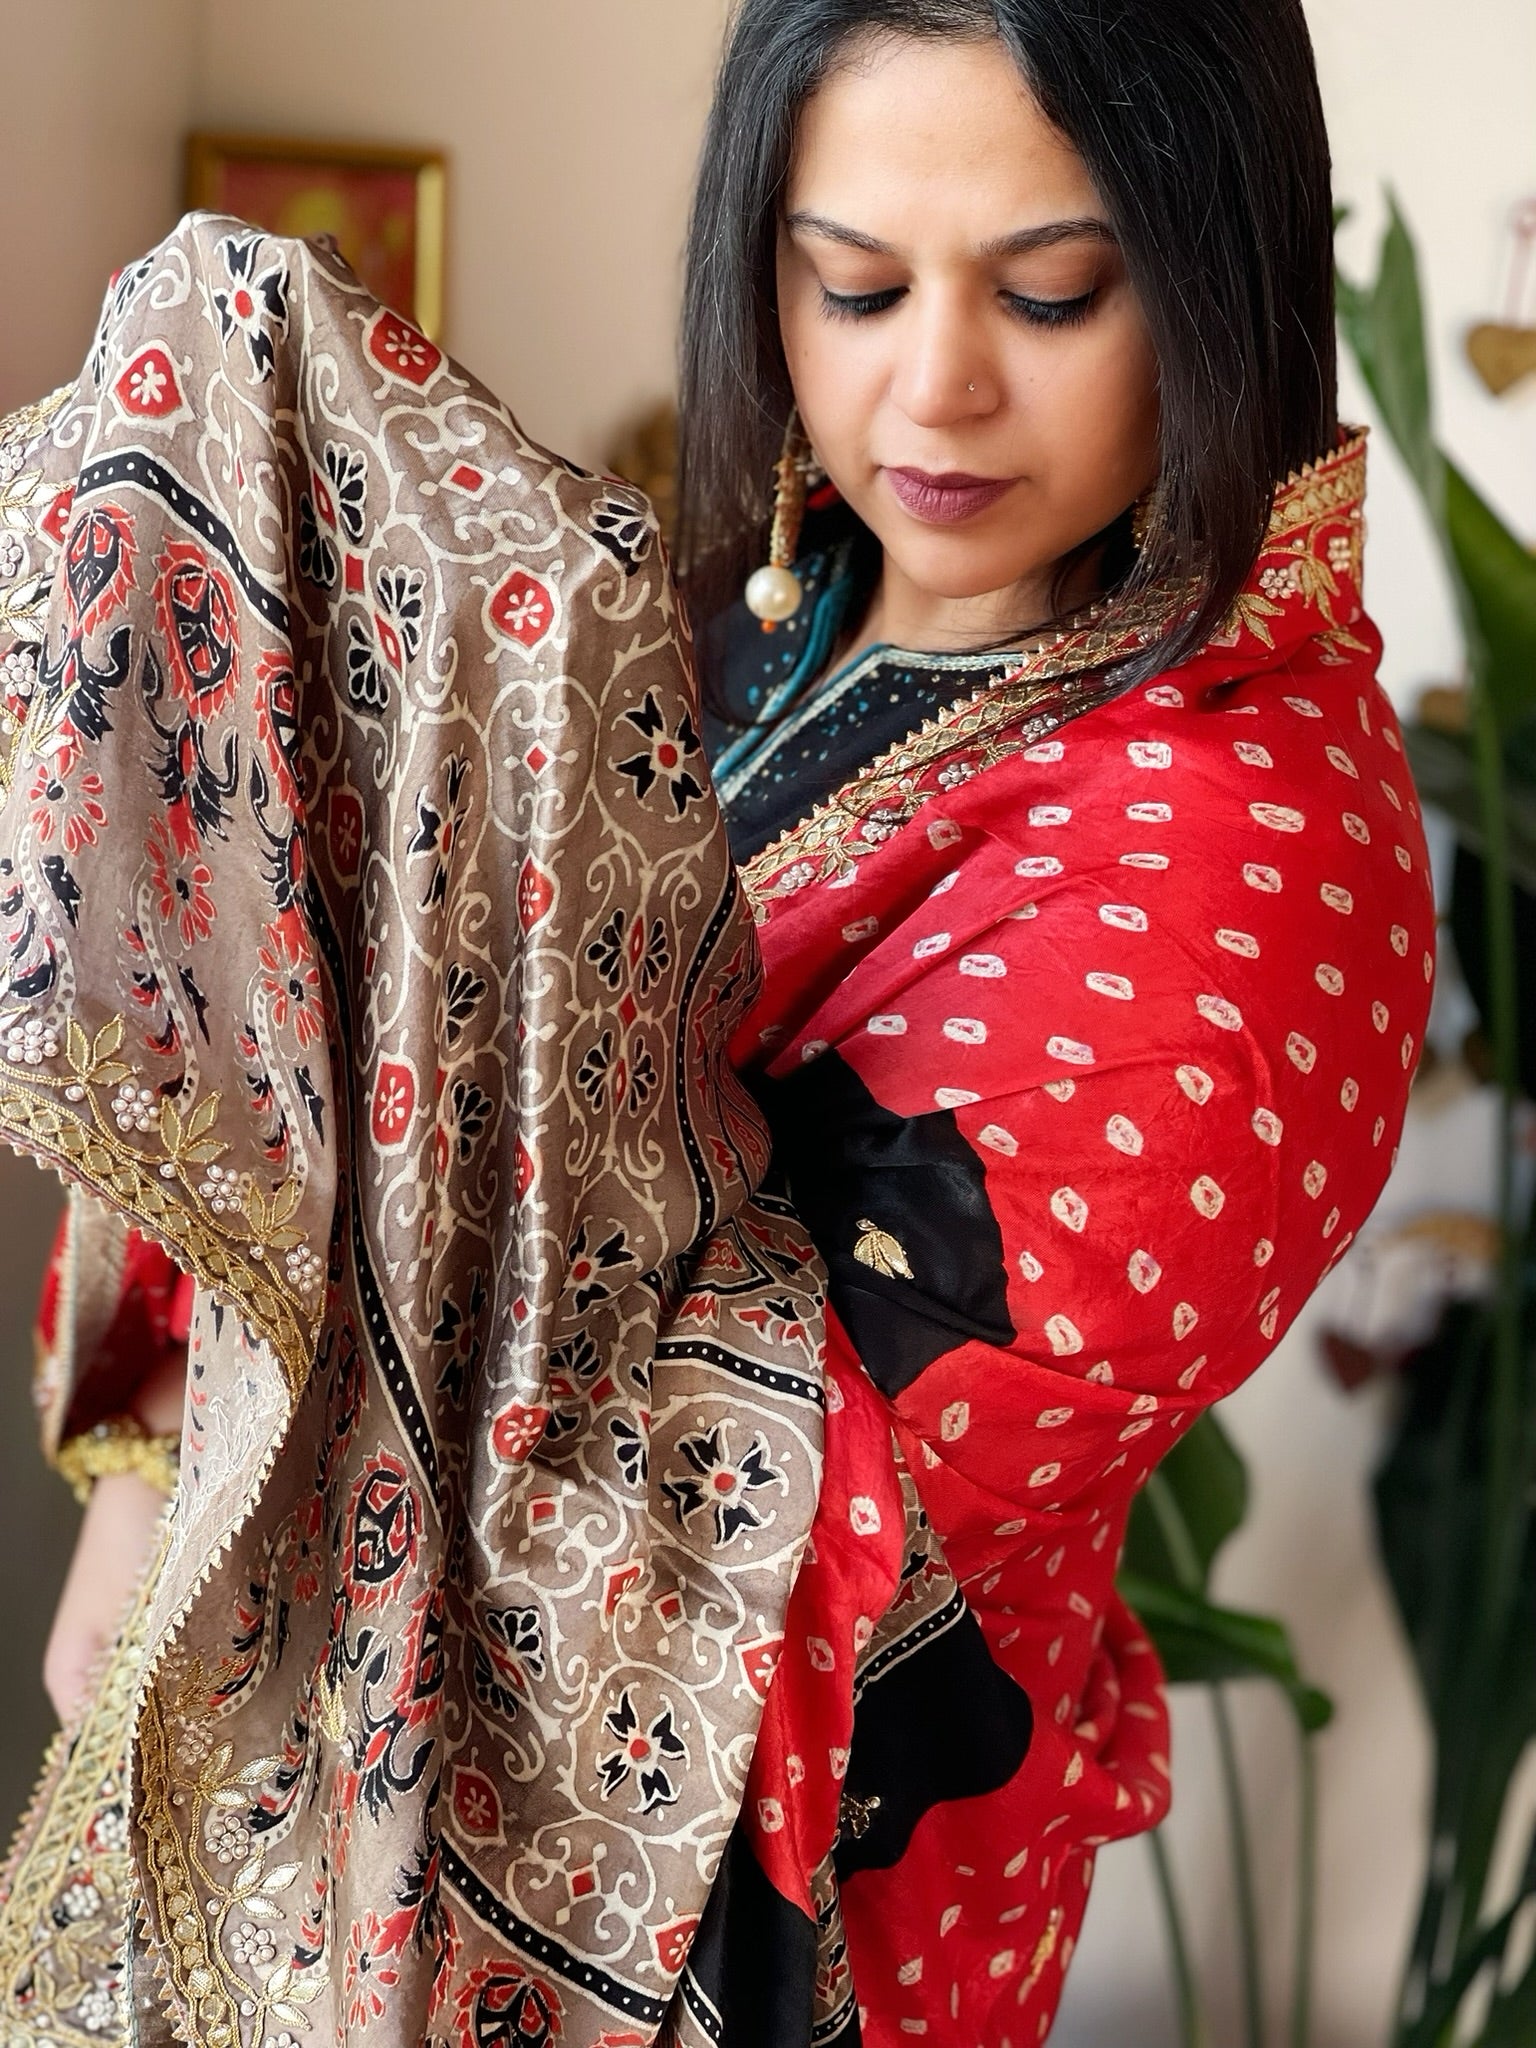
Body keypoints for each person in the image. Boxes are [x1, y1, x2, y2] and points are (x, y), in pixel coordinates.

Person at [4, 4, 1432, 2046]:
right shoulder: (776, 608)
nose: (926, 385)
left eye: (1053, 289)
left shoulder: (1247, 855)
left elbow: (730, 1491)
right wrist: (164, 1465)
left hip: (810, 1907)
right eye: (847, 280)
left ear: (1227, 263)